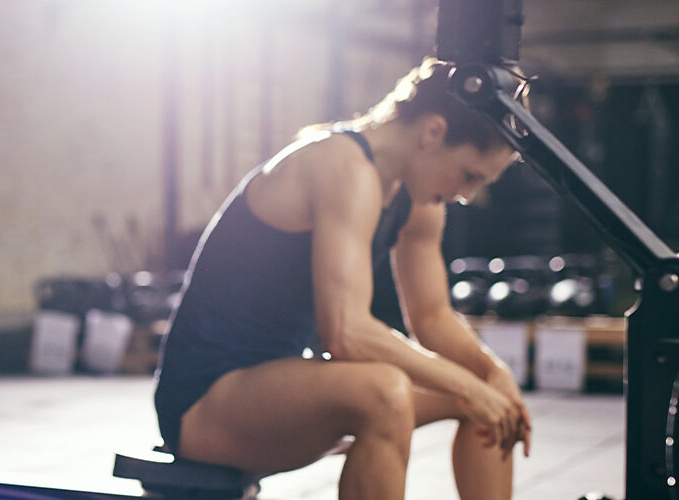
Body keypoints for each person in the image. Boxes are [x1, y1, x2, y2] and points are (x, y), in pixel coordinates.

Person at [154, 58, 533, 500]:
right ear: (433, 132)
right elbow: (346, 334)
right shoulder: (343, 165)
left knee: (489, 402)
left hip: (286, 389)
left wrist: (491, 374)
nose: (467, 195)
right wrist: (465, 382)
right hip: (206, 403)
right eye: (469, 175)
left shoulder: (419, 199)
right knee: (385, 391)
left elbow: (431, 316)